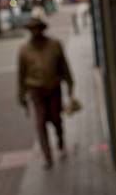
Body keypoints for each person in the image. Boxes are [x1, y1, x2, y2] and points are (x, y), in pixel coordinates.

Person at [17, 17, 74, 169]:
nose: (35, 31)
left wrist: (70, 84)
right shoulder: (24, 50)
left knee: (56, 118)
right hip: (36, 90)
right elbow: (21, 75)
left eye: (38, 28)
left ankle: (60, 138)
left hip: (54, 87)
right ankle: (47, 156)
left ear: (42, 29)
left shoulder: (54, 45)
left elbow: (64, 66)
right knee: (40, 122)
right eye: (32, 29)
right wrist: (21, 95)